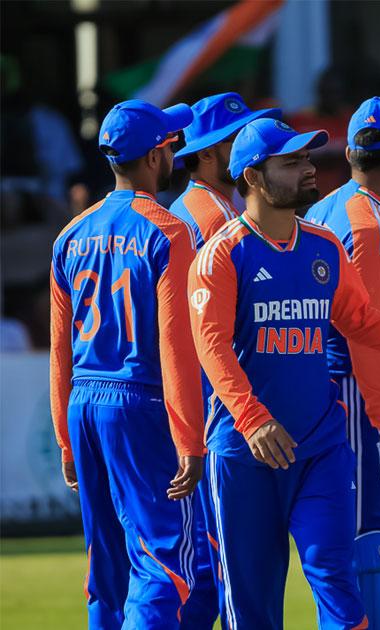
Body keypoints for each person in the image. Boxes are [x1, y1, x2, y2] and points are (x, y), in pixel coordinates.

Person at [188, 117, 380, 629]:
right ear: (252, 177)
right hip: (246, 454)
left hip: (320, 448)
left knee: (339, 586)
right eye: (291, 162)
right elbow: (212, 347)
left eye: (307, 158)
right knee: (251, 607)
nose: (308, 168)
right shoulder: (222, 254)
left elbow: (363, 323)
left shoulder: (323, 247)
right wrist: (252, 419)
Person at [50, 99, 204, 628]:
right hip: (141, 402)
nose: (175, 154)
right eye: (170, 145)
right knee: (164, 567)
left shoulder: (70, 235)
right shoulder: (169, 231)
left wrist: (65, 440)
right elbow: (176, 345)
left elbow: (60, 350)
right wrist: (190, 440)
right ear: (155, 157)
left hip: (84, 404)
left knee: (107, 573)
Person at [304, 96, 380, 629]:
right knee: (366, 543)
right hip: (353, 390)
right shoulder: (368, 225)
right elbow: (364, 337)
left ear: (351, 154)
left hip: (348, 385)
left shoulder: (329, 207)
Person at [169, 89, 280, 630]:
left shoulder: (184, 207)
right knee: (218, 569)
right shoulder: (217, 217)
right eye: (238, 137)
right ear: (211, 153)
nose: (249, 145)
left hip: (180, 395)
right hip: (212, 404)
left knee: (194, 564)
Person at [171, 92, 280, 245]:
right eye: (239, 139)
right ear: (206, 154)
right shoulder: (222, 219)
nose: (250, 148)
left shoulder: (183, 203)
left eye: (248, 138)